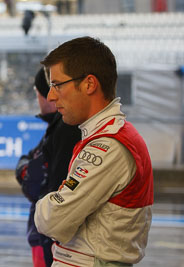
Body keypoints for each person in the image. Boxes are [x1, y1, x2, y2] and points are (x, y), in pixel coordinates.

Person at [34, 36, 154, 266]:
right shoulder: (104, 135)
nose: (50, 96)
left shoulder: (109, 145)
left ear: (89, 84)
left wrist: (43, 204)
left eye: (57, 85)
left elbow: (53, 221)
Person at [15, 68, 81, 267]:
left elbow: (33, 182)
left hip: (51, 237)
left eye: (38, 93)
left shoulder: (65, 128)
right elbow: (28, 163)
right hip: (52, 235)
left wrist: (25, 170)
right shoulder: (58, 128)